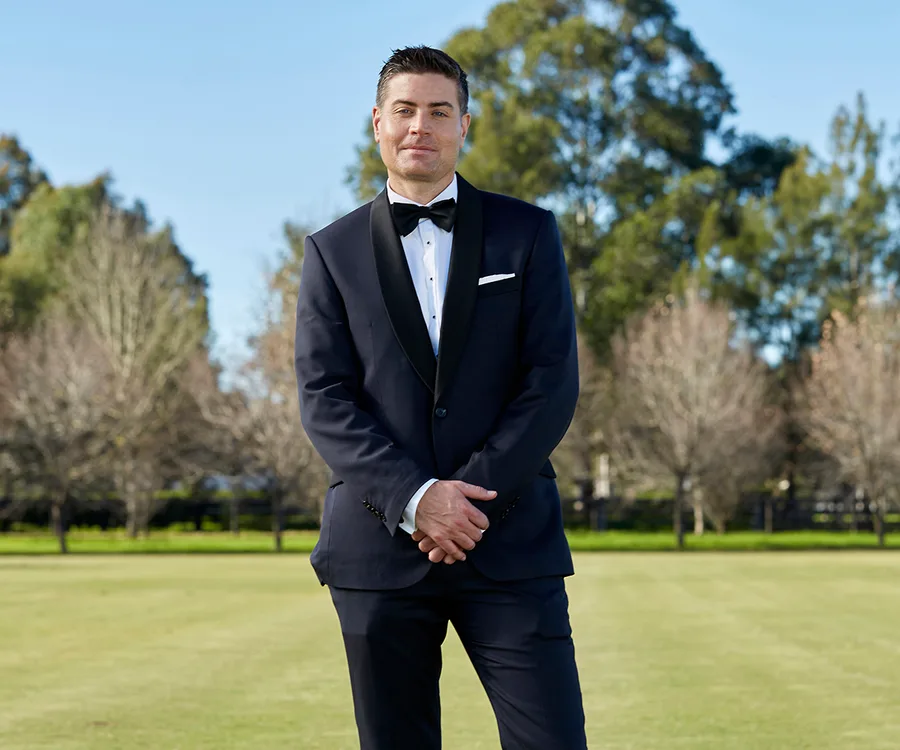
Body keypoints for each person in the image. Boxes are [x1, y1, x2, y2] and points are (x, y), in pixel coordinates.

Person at [294, 45, 587, 750]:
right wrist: (418, 498)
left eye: (438, 111)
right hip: (378, 546)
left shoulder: (528, 233)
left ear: (464, 125)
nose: (419, 126)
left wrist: (466, 499)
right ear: (377, 123)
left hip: (508, 539)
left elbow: (551, 382)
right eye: (404, 110)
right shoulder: (330, 252)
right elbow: (324, 397)